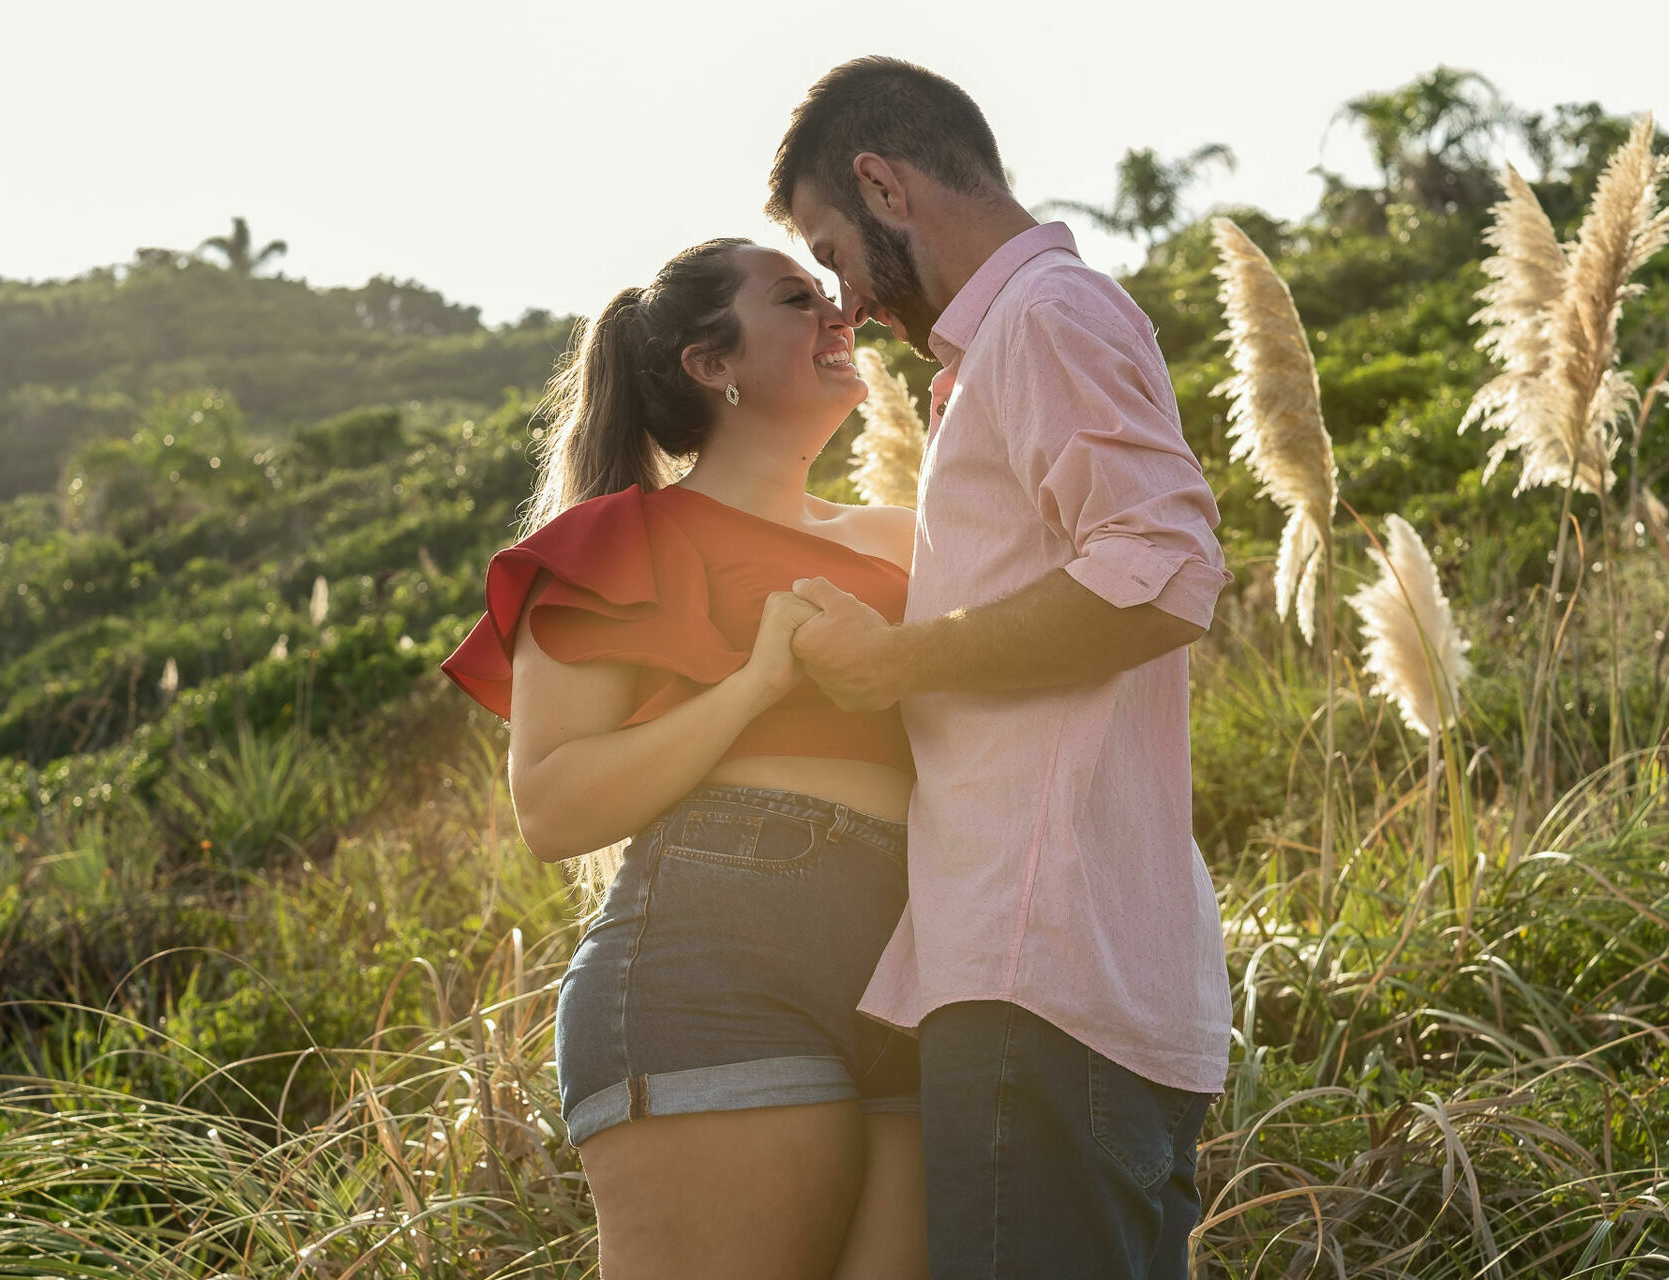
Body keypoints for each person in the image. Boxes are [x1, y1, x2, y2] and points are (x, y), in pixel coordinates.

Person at [765, 57, 1235, 1279]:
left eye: (832, 253)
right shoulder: (1018, 340)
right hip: (1074, 981)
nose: (846, 303)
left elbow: (1165, 566)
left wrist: (894, 662)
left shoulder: (1045, 317)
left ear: (884, 184)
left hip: (1043, 980)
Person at [440, 238, 930, 1279]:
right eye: (799, 300)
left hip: (920, 962)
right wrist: (754, 682)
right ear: (713, 365)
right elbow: (553, 805)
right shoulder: (618, 535)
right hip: (712, 967)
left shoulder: (904, 539)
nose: (836, 317)